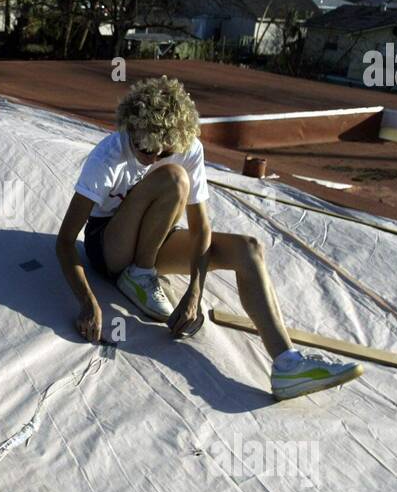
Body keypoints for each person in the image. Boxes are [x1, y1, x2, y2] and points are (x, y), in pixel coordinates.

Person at [55, 76, 363, 400]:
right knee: (174, 178)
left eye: (165, 151)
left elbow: (201, 228)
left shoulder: (188, 148)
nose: (153, 158)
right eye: (145, 150)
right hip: (109, 245)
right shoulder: (108, 158)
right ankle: (140, 274)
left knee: (249, 249)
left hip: (156, 233)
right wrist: (87, 301)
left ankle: (287, 363)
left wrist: (194, 293)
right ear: (130, 130)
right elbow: (65, 241)